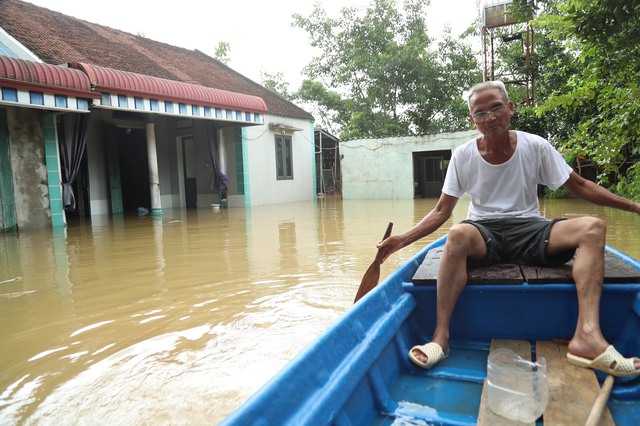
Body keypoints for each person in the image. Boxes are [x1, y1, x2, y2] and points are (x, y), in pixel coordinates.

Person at [378, 80, 640, 377]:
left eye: (496, 108)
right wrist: (402, 240)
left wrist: (633, 206)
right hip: (484, 232)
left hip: (530, 229)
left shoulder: (535, 146)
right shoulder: (463, 155)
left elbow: (579, 185)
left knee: (593, 228)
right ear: (472, 120)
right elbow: (441, 211)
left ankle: (587, 336)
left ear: (510, 109)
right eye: (480, 113)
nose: (489, 117)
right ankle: (441, 338)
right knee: (457, 234)